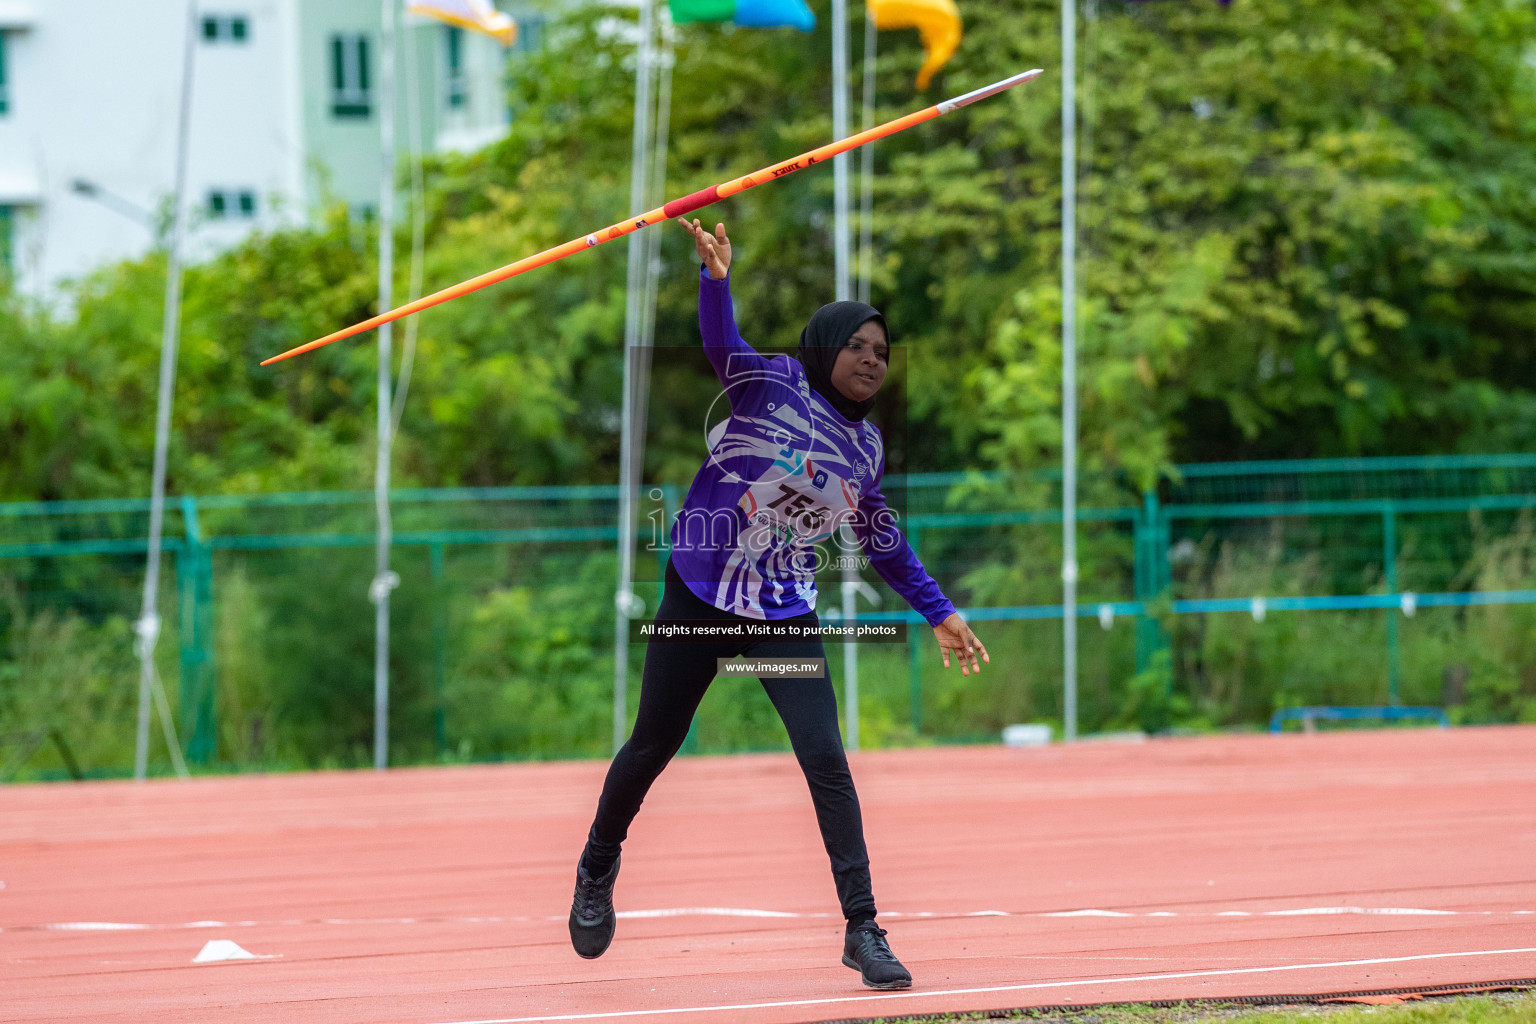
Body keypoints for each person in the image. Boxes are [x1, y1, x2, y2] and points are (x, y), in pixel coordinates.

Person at [569, 218, 988, 990]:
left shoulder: (866, 451)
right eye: (858, 345)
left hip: (781, 615)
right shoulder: (771, 382)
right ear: (824, 345)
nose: (871, 360)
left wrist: (940, 610)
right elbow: (721, 345)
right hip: (697, 596)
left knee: (826, 759)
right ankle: (598, 862)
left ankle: (863, 929)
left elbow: (883, 540)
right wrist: (715, 280)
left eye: (883, 352)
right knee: (652, 747)